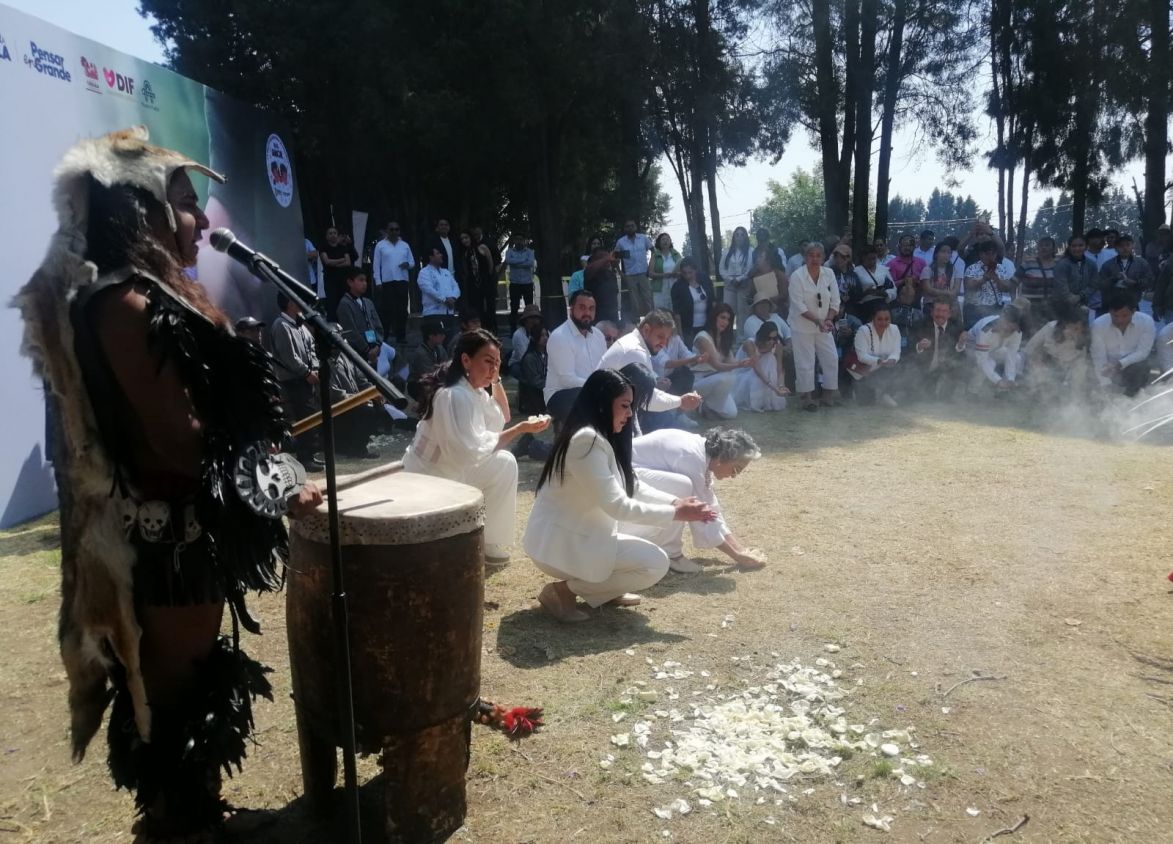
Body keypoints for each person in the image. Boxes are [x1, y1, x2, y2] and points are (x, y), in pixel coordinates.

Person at [13, 127, 323, 840]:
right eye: (185, 201)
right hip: (167, 540)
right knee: (173, 694)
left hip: (189, 531)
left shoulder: (150, 295)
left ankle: (196, 815)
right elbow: (181, 441)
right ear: (139, 211)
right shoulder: (122, 306)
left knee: (190, 683)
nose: (200, 220)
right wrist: (275, 485)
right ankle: (177, 826)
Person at [524, 369, 714, 622]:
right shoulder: (586, 441)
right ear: (602, 403)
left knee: (655, 532)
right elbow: (617, 505)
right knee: (655, 564)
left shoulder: (600, 435)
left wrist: (674, 502)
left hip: (580, 534)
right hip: (559, 544)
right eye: (625, 406)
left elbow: (631, 484)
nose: (630, 413)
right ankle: (562, 591)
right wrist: (676, 513)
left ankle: (605, 589)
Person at [402, 330, 550, 565]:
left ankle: (489, 542)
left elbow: (503, 415)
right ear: (466, 360)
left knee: (504, 462)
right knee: (502, 460)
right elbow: (467, 452)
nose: (493, 369)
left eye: (498, 363)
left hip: (452, 470)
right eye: (488, 362)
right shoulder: (453, 395)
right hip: (429, 478)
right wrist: (520, 430)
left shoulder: (474, 391)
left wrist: (496, 379)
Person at [629, 427, 767, 572]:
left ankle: (663, 549)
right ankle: (671, 553)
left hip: (632, 476)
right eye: (736, 469)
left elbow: (710, 507)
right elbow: (702, 516)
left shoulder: (702, 454)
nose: (734, 476)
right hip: (624, 478)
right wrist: (737, 555)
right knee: (683, 486)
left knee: (683, 487)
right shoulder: (691, 458)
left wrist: (740, 549)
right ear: (722, 459)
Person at [599, 309, 704, 429]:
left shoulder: (635, 344)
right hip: (604, 418)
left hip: (611, 414)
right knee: (667, 426)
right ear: (646, 330)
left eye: (667, 338)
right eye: (660, 336)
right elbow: (648, 400)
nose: (664, 343)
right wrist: (680, 401)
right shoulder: (635, 351)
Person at [271, 292, 324, 470]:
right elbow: (289, 357)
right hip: (293, 380)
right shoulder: (281, 325)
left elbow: (312, 348)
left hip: (307, 378)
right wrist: (306, 372)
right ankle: (304, 457)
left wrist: (315, 368)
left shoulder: (300, 325)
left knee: (310, 416)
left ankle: (310, 454)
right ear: (288, 303)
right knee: (303, 417)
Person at [788, 242, 843, 411]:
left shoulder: (829, 274)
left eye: (818, 255)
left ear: (824, 258)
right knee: (805, 362)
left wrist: (828, 319)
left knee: (831, 358)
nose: (815, 258)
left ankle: (828, 394)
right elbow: (798, 305)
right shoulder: (797, 276)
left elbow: (835, 300)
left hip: (824, 325)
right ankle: (806, 398)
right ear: (805, 257)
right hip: (802, 326)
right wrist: (817, 321)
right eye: (811, 255)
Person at [544, 290, 608, 421]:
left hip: (592, 391)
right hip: (561, 395)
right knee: (584, 399)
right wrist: (598, 388)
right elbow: (567, 380)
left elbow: (604, 368)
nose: (587, 313)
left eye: (591, 309)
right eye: (582, 308)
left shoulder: (598, 335)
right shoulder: (560, 336)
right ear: (571, 309)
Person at [692, 303, 753, 419]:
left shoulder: (724, 339)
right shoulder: (702, 337)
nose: (725, 322)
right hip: (699, 381)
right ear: (714, 317)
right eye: (722, 317)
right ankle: (702, 403)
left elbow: (732, 362)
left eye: (728, 319)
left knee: (731, 414)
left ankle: (706, 406)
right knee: (728, 376)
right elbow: (718, 365)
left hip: (717, 381)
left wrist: (745, 362)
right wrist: (738, 365)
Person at [1090, 292, 1156, 397]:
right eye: (1115, 316)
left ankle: (1132, 398)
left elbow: (1143, 352)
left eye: (1124, 315)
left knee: (1142, 366)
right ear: (1109, 311)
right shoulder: (1099, 324)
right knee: (1088, 373)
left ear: (1133, 311)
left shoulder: (1146, 322)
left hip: (1132, 366)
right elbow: (1098, 356)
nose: (1119, 320)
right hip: (1107, 367)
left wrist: (1120, 363)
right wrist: (1105, 384)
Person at [1023, 298, 1092, 398]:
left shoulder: (1083, 339)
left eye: (1077, 329)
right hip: (1047, 363)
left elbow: (1081, 362)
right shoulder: (1050, 328)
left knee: (1081, 368)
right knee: (1041, 376)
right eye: (1071, 327)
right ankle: (1038, 391)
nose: (1073, 332)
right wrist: (1037, 360)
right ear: (1064, 325)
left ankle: (1075, 398)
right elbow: (1030, 347)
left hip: (1067, 370)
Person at [846, 302, 903, 407]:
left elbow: (896, 352)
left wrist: (892, 359)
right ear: (873, 318)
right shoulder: (863, 331)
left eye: (887, 319)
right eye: (880, 319)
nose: (884, 322)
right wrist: (878, 360)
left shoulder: (894, 329)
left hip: (885, 371)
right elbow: (861, 356)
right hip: (863, 373)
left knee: (899, 366)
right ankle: (861, 391)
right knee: (867, 404)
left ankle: (886, 393)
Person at [336, 265, 391, 369]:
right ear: (350, 282)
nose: (364, 284)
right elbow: (350, 331)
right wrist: (367, 350)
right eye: (360, 280)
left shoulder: (368, 302)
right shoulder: (344, 304)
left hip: (375, 347)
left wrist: (377, 346)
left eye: (365, 280)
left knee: (397, 359)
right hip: (358, 353)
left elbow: (378, 325)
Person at [910, 300, 965, 399]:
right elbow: (909, 349)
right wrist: (919, 346)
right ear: (931, 312)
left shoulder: (957, 326)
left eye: (944, 311)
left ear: (949, 314)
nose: (940, 314)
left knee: (946, 399)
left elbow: (960, 356)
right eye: (938, 310)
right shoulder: (920, 325)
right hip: (925, 370)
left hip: (946, 372)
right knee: (921, 399)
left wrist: (960, 344)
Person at [371, 221, 415, 342]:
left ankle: (401, 336)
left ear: (399, 231)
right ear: (387, 230)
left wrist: (408, 265)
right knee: (387, 310)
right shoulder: (380, 245)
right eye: (391, 229)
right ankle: (383, 335)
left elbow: (412, 262)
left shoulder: (405, 245)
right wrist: (378, 281)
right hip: (387, 282)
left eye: (396, 229)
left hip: (402, 280)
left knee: (402, 310)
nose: (394, 231)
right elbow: (376, 265)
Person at [965, 306, 1025, 393]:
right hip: (972, 347)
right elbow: (982, 361)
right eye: (1007, 325)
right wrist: (998, 381)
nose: (1010, 330)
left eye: (1013, 328)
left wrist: (1010, 379)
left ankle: (1004, 391)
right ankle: (972, 391)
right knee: (990, 363)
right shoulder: (985, 329)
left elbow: (1011, 356)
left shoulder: (1017, 332)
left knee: (1017, 358)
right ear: (1002, 320)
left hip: (994, 348)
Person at [735, 323, 790, 412]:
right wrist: (774, 388)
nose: (771, 341)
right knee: (768, 359)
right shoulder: (750, 343)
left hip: (766, 375)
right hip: (746, 374)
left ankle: (768, 399)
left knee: (770, 358)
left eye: (774, 338)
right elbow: (757, 368)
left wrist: (780, 385)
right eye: (769, 338)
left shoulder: (777, 345)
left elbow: (779, 367)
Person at [963, 239, 1016, 327]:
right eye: (987, 253)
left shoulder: (1001, 268)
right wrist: (984, 279)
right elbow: (968, 286)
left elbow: (1007, 288)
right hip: (975, 310)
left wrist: (996, 278)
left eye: (993, 254)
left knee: (992, 337)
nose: (990, 256)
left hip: (994, 309)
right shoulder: (972, 268)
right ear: (980, 254)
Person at [1099, 233, 1155, 312]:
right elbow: (1100, 285)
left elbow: (1150, 280)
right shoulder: (1108, 265)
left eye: (1128, 245)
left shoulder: (1141, 263)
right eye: (1121, 246)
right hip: (1111, 305)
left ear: (1132, 246)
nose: (1125, 248)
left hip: (1133, 304)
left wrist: (1135, 283)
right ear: (1115, 248)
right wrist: (1113, 279)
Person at [669, 256, 717, 345]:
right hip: (688, 328)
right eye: (684, 273)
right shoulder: (677, 287)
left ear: (696, 270)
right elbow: (677, 313)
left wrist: (714, 324)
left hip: (707, 325)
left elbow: (713, 301)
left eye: (690, 272)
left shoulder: (705, 279)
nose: (687, 276)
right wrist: (680, 333)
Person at [417, 245, 462, 335]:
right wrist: (444, 299)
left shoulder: (446, 272)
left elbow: (456, 287)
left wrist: (453, 298)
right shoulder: (424, 272)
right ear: (431, 257)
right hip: (433, 314)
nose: (441, 255)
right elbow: (429, 289)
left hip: (449, 313)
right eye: (438, 253)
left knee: (449, 342)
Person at [615, 219, 654, 318]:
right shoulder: (621, 242)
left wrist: (650, 267)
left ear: (635, 227)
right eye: (627, 226)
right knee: (634, 301)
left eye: (632, 225)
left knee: (648, 298)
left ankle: (651, 320)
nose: (630, 228)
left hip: (644, 273)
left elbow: (654, 251)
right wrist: (620, 273)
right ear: (625, 229)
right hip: (630, 275)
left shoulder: (643, 238)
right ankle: (637, 323)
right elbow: (615, 258)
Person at [1017, 237, 1059, 323]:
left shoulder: (1059, 266)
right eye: (1041, 245)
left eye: (1047, 245)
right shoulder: (1027, 264)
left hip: (1052, 311)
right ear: (1037, 248)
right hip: (1030, 312)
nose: (1044, 248)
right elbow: (1013, 283)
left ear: (1053, 248)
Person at [1054, 235, 1101, 313]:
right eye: (1074, 246)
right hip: (1061, 306)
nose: (1077, 248)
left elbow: (1094, 284)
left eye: (1080, 245)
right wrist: (1070, 298)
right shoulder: (1062, 264)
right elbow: (1061, 285)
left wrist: (1080, 296)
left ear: (1086, 247)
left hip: (1084, 305)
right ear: (1069, 247)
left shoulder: (1091, 264)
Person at [720, 226, 755, 328]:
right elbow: (722, 269)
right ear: (734, 237)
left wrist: (739, 279)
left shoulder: (750, 251)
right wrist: (731, 280)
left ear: (746, 237)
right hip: (729, 285)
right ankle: (728, 337)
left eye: (742, 234)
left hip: (743, 284)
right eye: (737, 234)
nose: (739, 237)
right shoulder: (726, 251)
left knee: (743, 312)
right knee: (728, 311)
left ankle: (741, 339)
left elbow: (750, 268)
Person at [320, 225, 358, 317]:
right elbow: (327, 262)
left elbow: (348, 262)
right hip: (330, 280)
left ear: (337, 235)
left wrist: (334, 263)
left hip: (342, 280)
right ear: (326, 236)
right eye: (330, 233)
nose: (333, 235)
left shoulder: (343, 247)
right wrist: (341, 260)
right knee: (332, 303)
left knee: (343, 301)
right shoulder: (323, 247)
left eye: (334, 233)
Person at [407, 319, 452, 399]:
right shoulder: (420, 353)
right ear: (431, 336)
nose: (444, 336)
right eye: (440, 334)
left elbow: (448, 366)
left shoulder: (440, 348)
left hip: (438, 382)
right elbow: (429, 376)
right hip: (420, 386)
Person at [504, 234, 537, 331]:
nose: (519, 241)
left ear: (525, 240)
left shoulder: (530, 252)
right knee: (514, 308)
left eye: (521, 239)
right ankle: (513, 329)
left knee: (529, 308)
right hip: (515, 283)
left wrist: (516, 262)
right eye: (517, 239)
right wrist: (523, 261)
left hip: (527, 283)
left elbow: (530, 263)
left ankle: (531, 329)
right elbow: (509, 261)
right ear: (514, 241)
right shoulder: (509, 251)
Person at [470, 227, 501, 332]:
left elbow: (497, 258)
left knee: (490, 304)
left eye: (477, 233)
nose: (476, 236)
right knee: (478, 304)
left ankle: (493, 327)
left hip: (488, 277)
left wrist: (491, 272)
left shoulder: (489, 243)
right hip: (477, 279)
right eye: (474, 234)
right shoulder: (472, 244)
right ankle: (482, 326)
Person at [852, 243, 895, 318]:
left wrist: (886, 293)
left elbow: (893, 288)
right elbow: (854, 293)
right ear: (863, 258)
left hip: (883, 304)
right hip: (866, 307)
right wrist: (866, 292)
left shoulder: (883, 269)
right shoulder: (857, 271)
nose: (872, 261)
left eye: (874, 258)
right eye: (869, 259)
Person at [517, 324, 549, 416]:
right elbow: (534, 381)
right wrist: (551, 385)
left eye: (546, 335)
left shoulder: (548, 354)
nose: (545, 338)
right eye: (542, 335)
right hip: (533, 393)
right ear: (535, 337)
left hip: (545, 388)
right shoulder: (529, 357)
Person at [920, 242, 961, 313]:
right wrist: (946, 293)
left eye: (949, 252)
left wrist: (950, 294)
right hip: (931, 304)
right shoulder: (927, 269)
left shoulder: (955, 270)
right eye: (943, 251)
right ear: (936, 254)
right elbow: (928, 289)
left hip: (949, 304)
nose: (946, 255)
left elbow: (956, 290)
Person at [584, 247, 621, 325]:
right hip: (596, 318)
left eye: (608, 256)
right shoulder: (590, 272)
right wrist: (607, 259)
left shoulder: (611, 274)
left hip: (612, 317)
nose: (608, 259)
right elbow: (590, 269)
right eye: (603, 257)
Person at [508, 304, 544, 379]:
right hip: (520, 363)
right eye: (531, 318)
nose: (534, 321)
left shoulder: (544, 332)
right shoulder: (518, 335)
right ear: (525, 320)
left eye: (536, 318)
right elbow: (524, 358)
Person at [648, 232, 682, 309]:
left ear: (670, 242)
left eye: (667, 239)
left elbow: (684, 270)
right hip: (660, 290)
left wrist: (678, 274)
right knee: (661, 313)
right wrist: (664, 275)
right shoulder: (655, 256)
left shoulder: (676, 254)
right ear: (659, 242)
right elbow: (650, 274)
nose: (665, 241)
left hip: (676, 287)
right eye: (663, 239)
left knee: (676, 310)